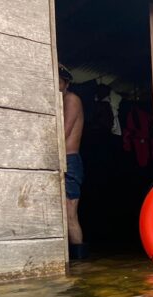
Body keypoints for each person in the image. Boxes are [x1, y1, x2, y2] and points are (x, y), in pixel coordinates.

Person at [59, 64, 86, 259]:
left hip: (69, 160)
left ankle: (81, 264)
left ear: (66, 82)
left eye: (58, 81)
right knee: (66, 215)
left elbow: (64, 132)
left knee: (70, 215)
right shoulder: (61, 99)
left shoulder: (71, 99)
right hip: (65, 160)